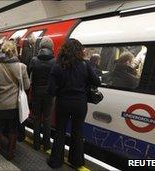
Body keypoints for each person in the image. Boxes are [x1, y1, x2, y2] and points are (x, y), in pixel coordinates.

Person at [47, 39, 101, 169]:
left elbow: (51, 90)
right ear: (79, 51)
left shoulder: (57, 65)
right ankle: (76, 161)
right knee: (77, 131)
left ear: (63, 49)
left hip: (63, 102)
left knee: (60, 131)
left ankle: (56, 161)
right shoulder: (85, 64)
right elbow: (96, 82)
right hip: (80, 103)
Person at [0, 40, 30, 160]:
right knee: (13, 129)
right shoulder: (22, 67)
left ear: (2, 51)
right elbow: (27, 86)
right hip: (14, 106)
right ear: (15, 51)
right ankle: (11, 153)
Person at [29, 37, 55, 152]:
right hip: (49, 93)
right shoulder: (55, 61)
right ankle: (47, 145)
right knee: (47, 119)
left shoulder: (34, 60)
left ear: (41, 46)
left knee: (36, 118)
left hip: (36, 92)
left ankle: (36, 144)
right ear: (51, 47)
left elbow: (28, 74)